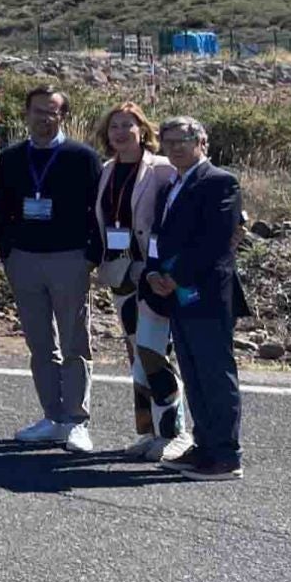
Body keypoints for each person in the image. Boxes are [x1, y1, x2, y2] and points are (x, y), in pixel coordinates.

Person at [0, 87, 104, 454]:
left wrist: (90, 256)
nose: (44, 118)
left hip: (69, 258)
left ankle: (76, 421)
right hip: (24, 259)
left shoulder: (82, 157)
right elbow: (1, 210)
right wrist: (7, 253)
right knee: (40, 343)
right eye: (38, 111)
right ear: (26, 114)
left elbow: (97, 212)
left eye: (52, 112)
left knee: (75, 342)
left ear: (63, 116)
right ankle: (52, 417)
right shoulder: (11, 157)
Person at [149, 116, 245, 481]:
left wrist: (175, 277)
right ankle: (205, 445)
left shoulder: (220, 182)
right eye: (167, 140)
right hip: (175, 294)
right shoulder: (171, 183)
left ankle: (226, 455)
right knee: (193, 372)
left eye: (182, 140)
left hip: (204, 295)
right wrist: (155, 272)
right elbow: (159, 236)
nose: (174, 147)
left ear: (202, 141)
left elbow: (215, 243)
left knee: (215, 375)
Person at [91, 102, 188, 460]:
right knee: (136, 354)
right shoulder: (106, 170)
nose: (119, 132)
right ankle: (147, 431)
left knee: (154, 351)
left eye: (127, 125)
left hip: (153, 274)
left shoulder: (161, 169)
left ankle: (175, 431)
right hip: (121, 274)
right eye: (114, 126)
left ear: (142, 129)